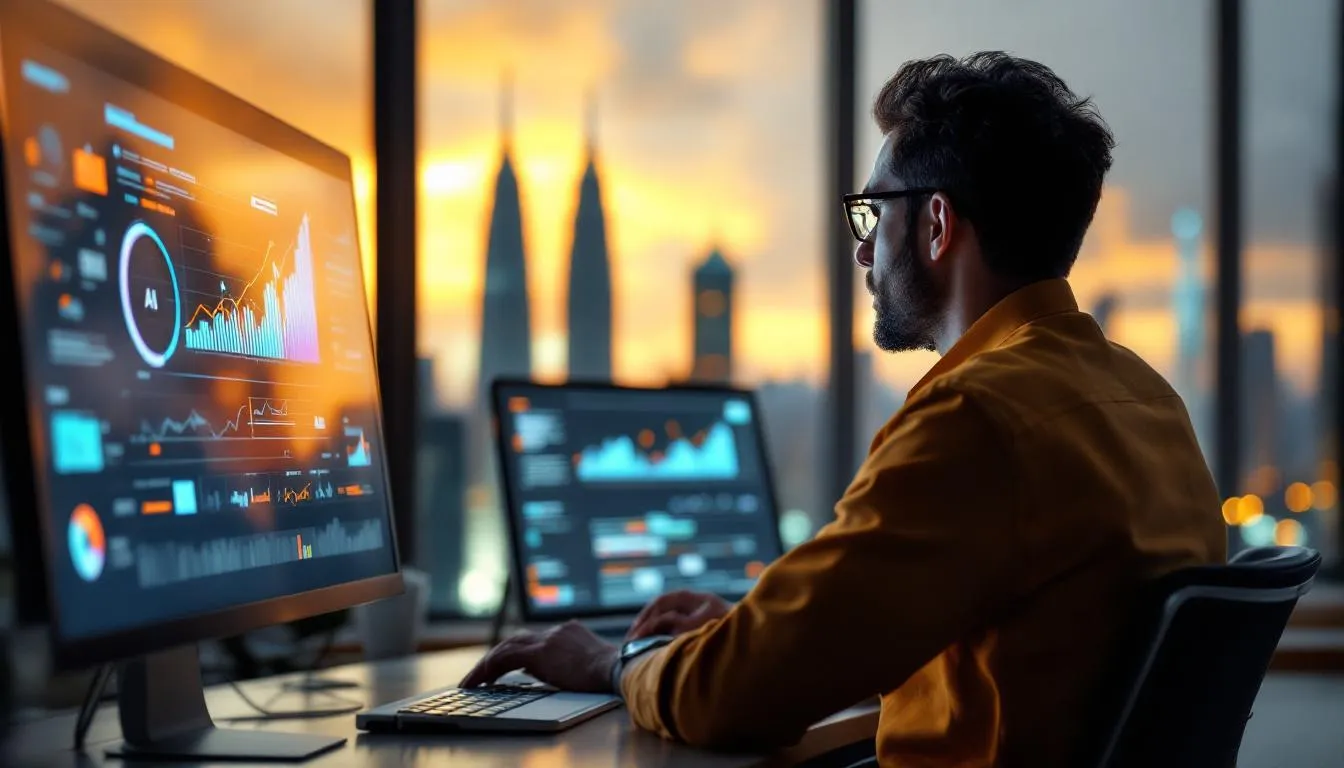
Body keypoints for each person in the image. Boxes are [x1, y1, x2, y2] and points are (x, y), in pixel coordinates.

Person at [462, 51, 1226, 766]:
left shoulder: (976, 422)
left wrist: (609, 660)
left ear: (934, 225)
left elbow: (734, 700)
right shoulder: (1149, 402)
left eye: (872, 214)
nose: (863, 251)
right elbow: (1025, 652)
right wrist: (752, 635)